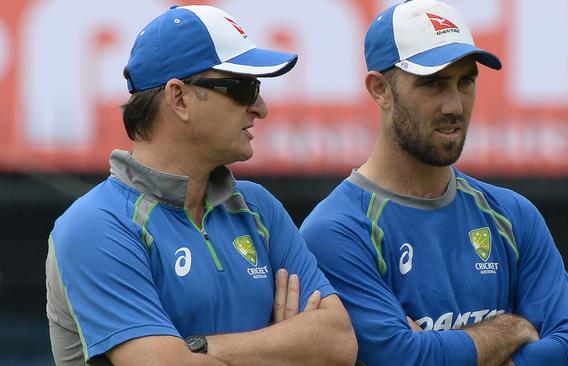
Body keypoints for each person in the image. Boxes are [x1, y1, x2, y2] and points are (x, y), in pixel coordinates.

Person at [45, 5, 356, 366]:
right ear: (179, 98)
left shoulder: (258, 207)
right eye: (243, 87)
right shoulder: (96, 224)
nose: (261, 107)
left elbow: (339, 341)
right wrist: (287, 346)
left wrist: (196, 347)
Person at [300, 0, 568, 365]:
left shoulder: (513, 215)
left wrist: (444, 350)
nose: (454, 105)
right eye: (433, 83)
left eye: (465, 81)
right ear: (380, 89)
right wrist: (511, 328)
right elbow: (402, 358)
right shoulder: (337, 231)